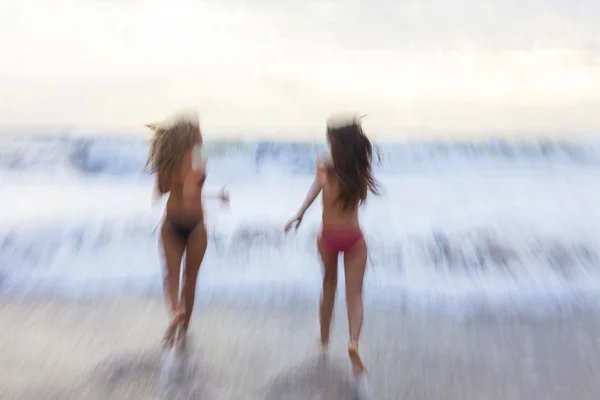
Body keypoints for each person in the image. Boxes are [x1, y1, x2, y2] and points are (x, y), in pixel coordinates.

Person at [284, 114, 381, 379]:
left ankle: (324, 342)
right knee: (355, 295)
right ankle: (353, 342)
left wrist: (300, 213)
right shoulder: (359, 169)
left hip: (327, 237)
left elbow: (317, 187)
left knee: (328, 289)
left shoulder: (325, 164)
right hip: (353, 238)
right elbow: (359, 197)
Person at [145, 111, 229, 350]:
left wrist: (172, 178)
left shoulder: (168, 160)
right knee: (190, 282)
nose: (203, 137)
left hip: (171, 224)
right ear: (193, 137)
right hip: (195, 227)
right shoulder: (198, 158)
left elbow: (160, 192)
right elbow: (194, 190)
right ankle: (183, 333)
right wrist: (215, 195)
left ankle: (174, 314)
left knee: (171, 277)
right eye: (200, 133)